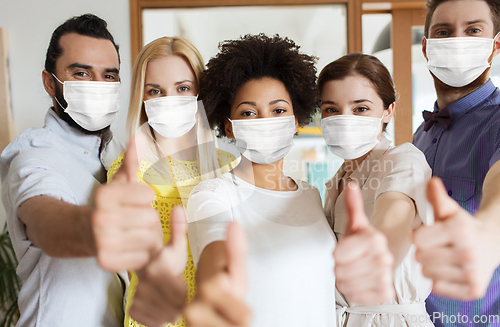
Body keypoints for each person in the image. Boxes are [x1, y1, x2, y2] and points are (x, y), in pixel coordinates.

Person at [182, 34, 395, 327]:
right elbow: (214, 253)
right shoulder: (213, 195)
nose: (263, 120)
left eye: (278, 110)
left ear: (296, 120)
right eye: (248, 112)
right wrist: (215, 285)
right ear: (229, 128)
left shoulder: (310, 195)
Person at [0, 14, 169, 327]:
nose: (98, 86)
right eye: (81, 73)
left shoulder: (123, 154)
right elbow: (45, 220)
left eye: (108, 76)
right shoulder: (34, 153)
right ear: (50, 82)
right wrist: (96, 227)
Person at [106, 36, 237, 327]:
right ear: (142, 97)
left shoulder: (230, 167)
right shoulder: (127, 173)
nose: (170, 100)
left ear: (200, 94)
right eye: (155, 91)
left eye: (183, 88)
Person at [318, 53, 433, 326]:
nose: (345, 119)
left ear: (388, 111)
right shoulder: (337, 181)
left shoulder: (404, 160)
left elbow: (395, 210)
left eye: (360, 109)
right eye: (331, 109)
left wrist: (379, 248)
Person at [412, 0, 500, 325]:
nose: (456, 41)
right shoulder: (419, 136)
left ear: (495, 45)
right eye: (443, 32)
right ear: (426, 47)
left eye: (473, 30)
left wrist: (488, 234)